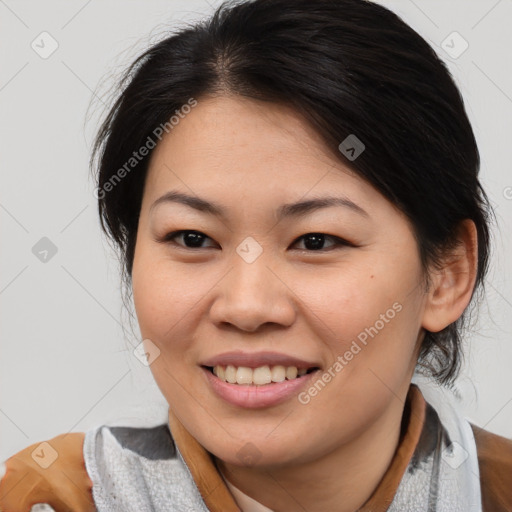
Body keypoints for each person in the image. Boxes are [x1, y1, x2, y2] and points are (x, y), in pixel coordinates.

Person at [1, 0, 511, 510]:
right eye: (193, 238)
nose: (246, 308)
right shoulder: (47, 498)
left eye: (316, 241)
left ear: (447, 273)